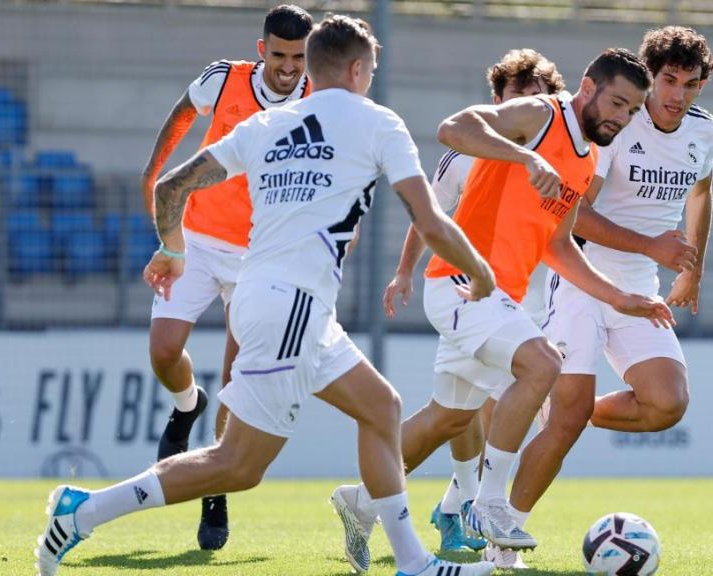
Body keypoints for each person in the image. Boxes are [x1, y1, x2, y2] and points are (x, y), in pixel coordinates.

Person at [35, 15, 498, 576]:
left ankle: (412, 562)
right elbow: (429, 220)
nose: (371, 79)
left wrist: (173, 248)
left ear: (313, 67)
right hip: (292, 307)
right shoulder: (378, 122)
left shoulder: (268, 123)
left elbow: (171, 185)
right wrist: (480, 271)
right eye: (371, 70)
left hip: (274, 299)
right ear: (357, 70)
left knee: (382, 408)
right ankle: (82, 511)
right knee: (238, 466)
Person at [331, 48, 673, 573]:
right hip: (462, 284)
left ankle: (359, 499)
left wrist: (619, 297)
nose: (621, 118)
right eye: (617, 103)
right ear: (588, 87)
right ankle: (489, 504)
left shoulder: (585, 159)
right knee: (543, 363)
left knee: (448, 417)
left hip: (497, 297)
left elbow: (557, 245)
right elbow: (452, 128)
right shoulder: (541, 113)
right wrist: (526, 157)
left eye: (631, 111)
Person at [510, 26, 713, 535]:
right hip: (581, 279)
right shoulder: (617, 125)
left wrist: (692, 269)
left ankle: (564, 407)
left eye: (691, 84)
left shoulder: (705, 130)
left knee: (667, 403)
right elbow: (573, 216)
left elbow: (701, 193)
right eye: (669, 80)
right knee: (567, 422)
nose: (678, 95)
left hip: (640, 285)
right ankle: (504, 537)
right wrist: (651, 245)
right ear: (650, 77)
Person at [138, 4, 313, 551]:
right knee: (164, 351)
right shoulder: (225, 77)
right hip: (196, 238)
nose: (288, 67)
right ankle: (187, 405)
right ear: (262, 50)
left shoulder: (319, 99)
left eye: (298, 57)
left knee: (237, 381)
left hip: (261, 255)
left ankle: (214, 494)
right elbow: (183, 113)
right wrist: (154, 171)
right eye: (279, 55)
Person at [382, 48, 564, 568]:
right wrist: (404, 272)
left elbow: (562, 232)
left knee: (455, 414)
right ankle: (482, 518)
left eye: (537, 96)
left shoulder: (557, 156)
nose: (526, 104)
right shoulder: (465, 153)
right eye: (516, 95)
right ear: (497, 99)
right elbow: (429, 215)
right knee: (497, 404)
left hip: (529, 299)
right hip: (473, 295)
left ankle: (382, 500)